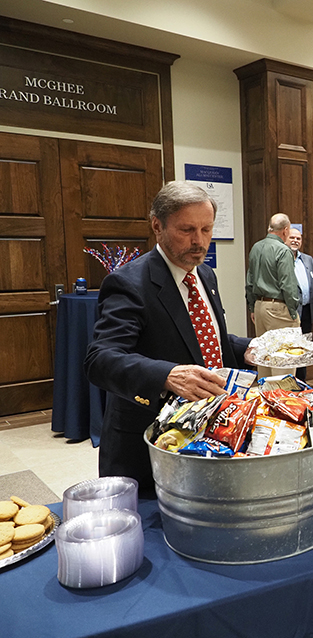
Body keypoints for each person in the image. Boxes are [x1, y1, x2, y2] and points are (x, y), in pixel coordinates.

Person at [84, 181, 250, 491]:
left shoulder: (205, 274)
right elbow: (101, 359)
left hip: (206, 432)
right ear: (157, 226)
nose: (199, 241)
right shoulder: (128, 283)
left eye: (206, 230)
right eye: (187, 230)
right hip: (150, 442)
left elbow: (203, 339)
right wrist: (167, 375)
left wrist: (250, 347)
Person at [245, 213, 301, 378]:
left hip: (260, 306)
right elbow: (288, 285)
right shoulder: (283, 250)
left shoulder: (256, 247)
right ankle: (281, 399)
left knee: (265, 359)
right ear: (285, 230)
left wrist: (252, 307)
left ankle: (266, 398)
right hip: (278, 308)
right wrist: (293, 311)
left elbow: (249, 281)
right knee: (284, 361)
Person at [287, 227, 313, 382]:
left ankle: (302, 381)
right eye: (292, 237)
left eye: (298, 238)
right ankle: (291, 382)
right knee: (291, 349)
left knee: (304, 348)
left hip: (307, 310)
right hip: (291, 312)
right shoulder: (283, 259)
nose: (295, 240)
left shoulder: (308, 259)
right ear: (285, 238)